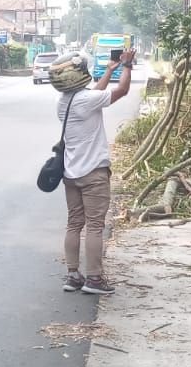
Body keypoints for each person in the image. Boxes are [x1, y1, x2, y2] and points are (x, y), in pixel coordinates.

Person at [47, 46, 136, 295]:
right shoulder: (86, 100)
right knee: (95, 226)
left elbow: (94, 96)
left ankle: (73, 275)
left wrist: (108, 70)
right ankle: (95, 279)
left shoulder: (63, 102)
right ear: (77, 76)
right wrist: (127, 65)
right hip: (93, 173)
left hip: (71, 174)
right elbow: (122, 91)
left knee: (74, 224)